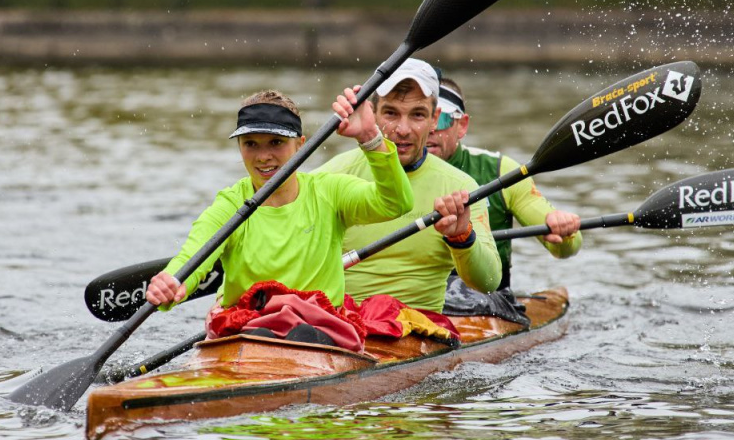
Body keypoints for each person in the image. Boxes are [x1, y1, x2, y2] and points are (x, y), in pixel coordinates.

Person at [145, 87, 414, 311]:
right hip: (245, 329)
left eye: (276, 142)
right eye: (251, 143)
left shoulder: (330, 192)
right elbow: (194, 254)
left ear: (301, 144)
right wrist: (174, 281)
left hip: (319, 328)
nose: (263, 157)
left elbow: (396, 203)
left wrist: (369, 137)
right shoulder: (230, 204)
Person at [317, 59, 502, 313]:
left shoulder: (460, 187)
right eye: (391, 113)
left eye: (417, 115)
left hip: (420, 332)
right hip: (343, 327)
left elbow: (489, 282)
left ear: (435, 118)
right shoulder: (333, 175)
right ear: (372, 112)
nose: (402, 130)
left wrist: (462, 237)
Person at [427, 75, 582, 290]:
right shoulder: (382, 173)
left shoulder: (502, 172)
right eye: (419, 117)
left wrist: (564, 232)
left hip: (487, 300)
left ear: (461, 125)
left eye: (440, 119)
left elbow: (564, 249)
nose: (429, 129)